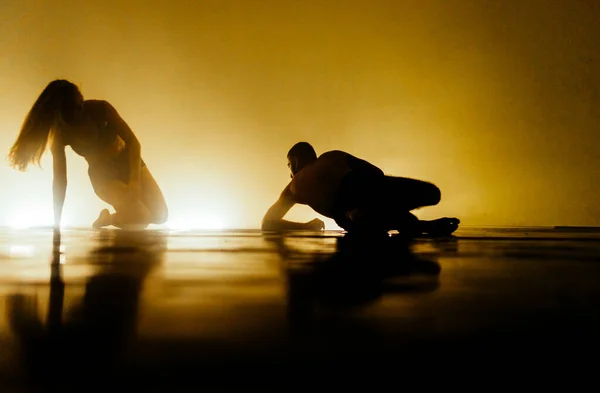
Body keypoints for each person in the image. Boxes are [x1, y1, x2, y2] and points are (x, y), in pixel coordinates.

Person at [8, 79, 168, 231]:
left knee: (161, 216)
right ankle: (108, 219)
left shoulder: (101, 109)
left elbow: (133, 143)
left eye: (81, 105)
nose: (80, 113)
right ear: (61, 114)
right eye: (73, 110)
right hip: (104, 176)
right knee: (141, 217)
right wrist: (57, 222)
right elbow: (60, 180)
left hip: (129, 162)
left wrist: (134, 181)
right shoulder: (60, 135)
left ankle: (110, 217)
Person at [261, 142, 459, 236]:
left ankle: (414, 224)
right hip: (366, 193)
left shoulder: (293, 187)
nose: (290, 172)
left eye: (289, 165)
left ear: (295, 162)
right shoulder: (332, 156)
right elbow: (375, 172)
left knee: (360, 219)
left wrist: (305, 226)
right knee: (433, 194)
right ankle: (413, 223)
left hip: (352, 209)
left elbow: (268, 223)